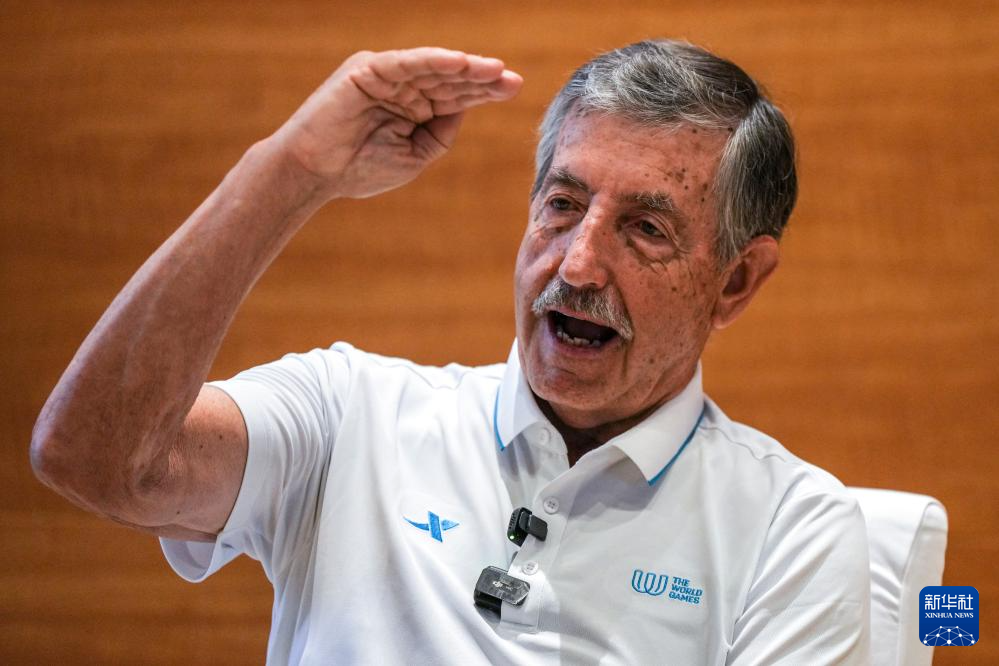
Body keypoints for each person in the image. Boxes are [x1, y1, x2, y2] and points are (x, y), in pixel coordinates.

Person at [31, 41, 871, 664]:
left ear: (735, 282)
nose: (576, 265)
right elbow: (94, 460)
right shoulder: (350, 415)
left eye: (645, 229)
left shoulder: (794, 530)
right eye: (561, 205)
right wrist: (291, 172)